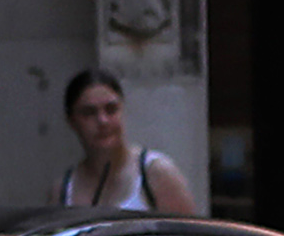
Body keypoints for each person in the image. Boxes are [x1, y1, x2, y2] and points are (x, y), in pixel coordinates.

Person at [53, 69, 199, 217]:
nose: (103, 121)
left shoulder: (156, 175)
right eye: (89, 113)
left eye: (111, 110)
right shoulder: (63, 191)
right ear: (72, 121)